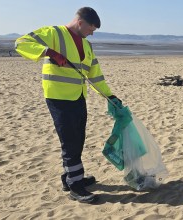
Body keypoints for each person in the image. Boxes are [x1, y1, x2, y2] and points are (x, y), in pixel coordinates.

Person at [15, 7, 121, 204]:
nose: (92, 33)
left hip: (79, 97)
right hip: (58, 98)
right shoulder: (54, 33)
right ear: (80, 22)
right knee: (70, 141)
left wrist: (110, 96)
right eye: (91, 29)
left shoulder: (87, 46)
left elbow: (95, 75)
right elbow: (21, 43)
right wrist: (48, 51)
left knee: (78, 139)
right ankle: (76, 187)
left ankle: (71, 177)